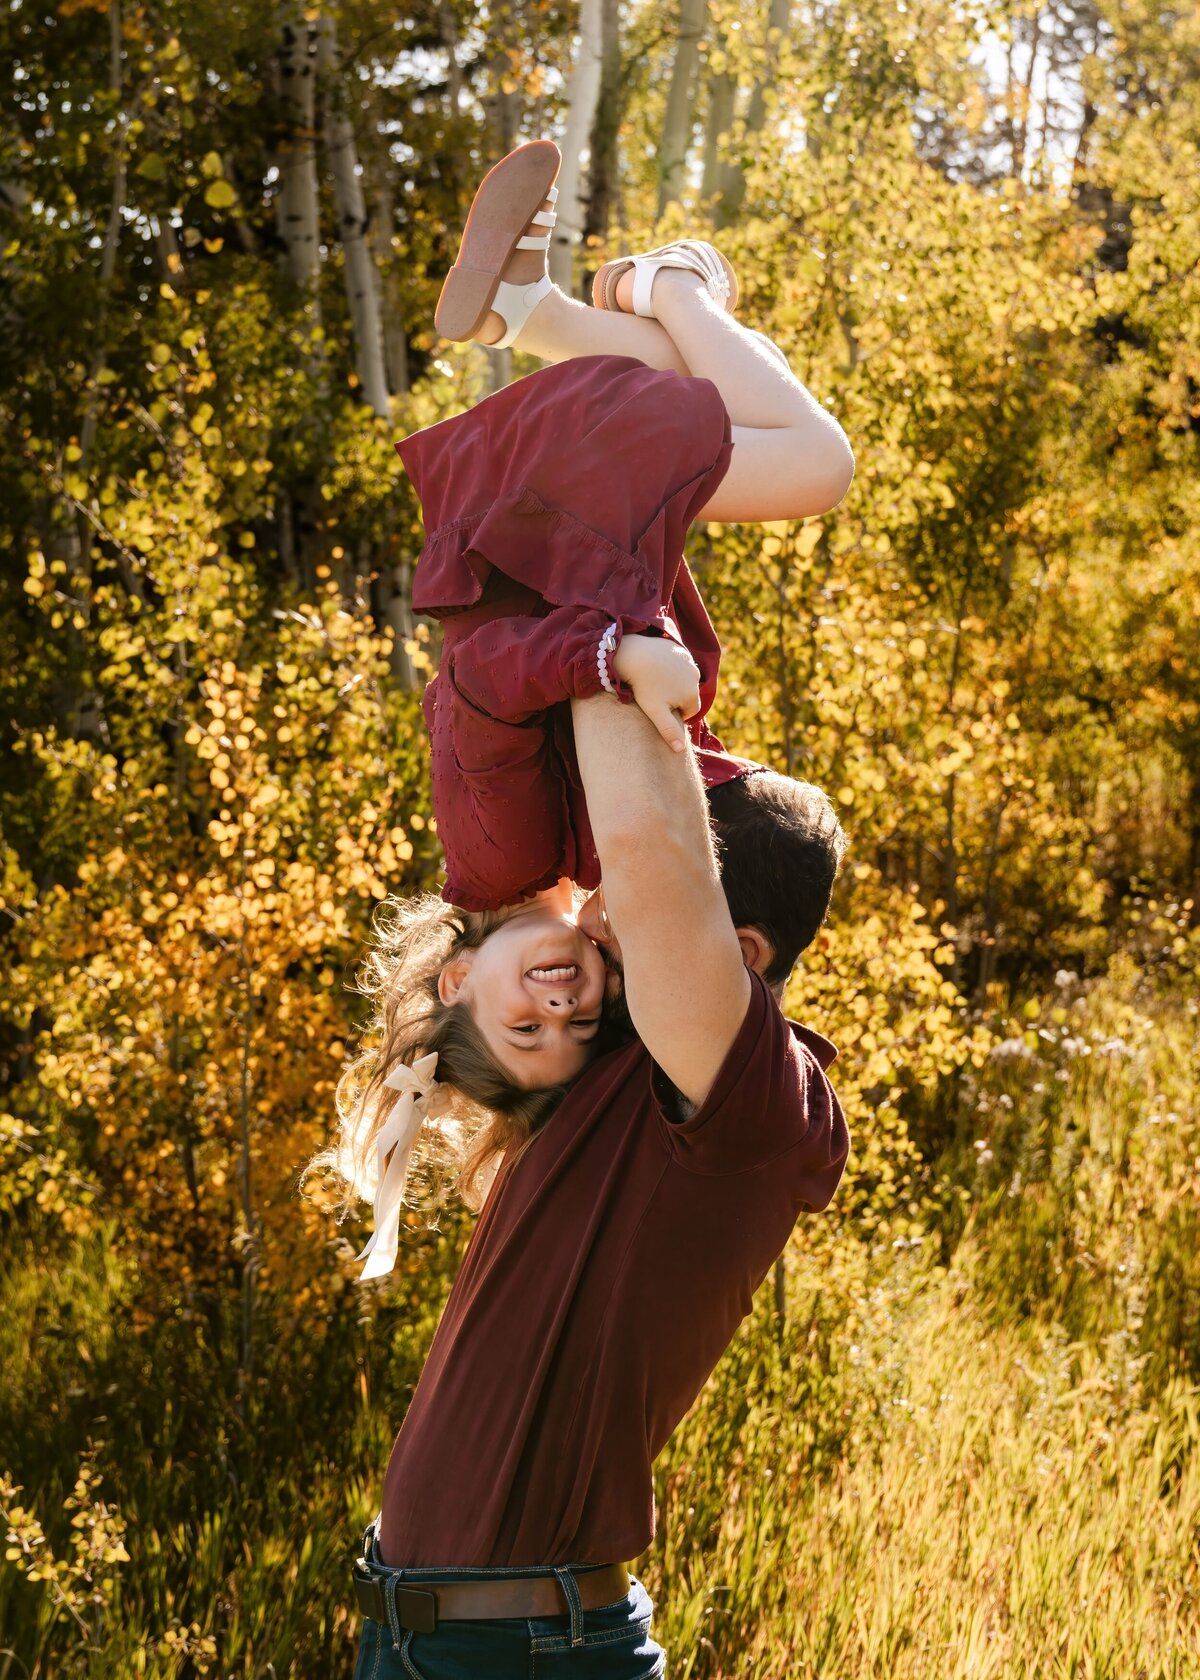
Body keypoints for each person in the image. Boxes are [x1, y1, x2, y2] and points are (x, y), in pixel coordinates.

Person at [343, 141, 853, 1676]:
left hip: (522, 1654)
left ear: (737, 948)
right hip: (445, 1642)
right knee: (769, 451)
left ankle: (631, 293)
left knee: (806, 461)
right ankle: (568, 305)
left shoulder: (750, 1089)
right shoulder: (617, 1051)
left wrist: (612, 625)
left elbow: (646, 852)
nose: (599, 911)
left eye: (659, 882)